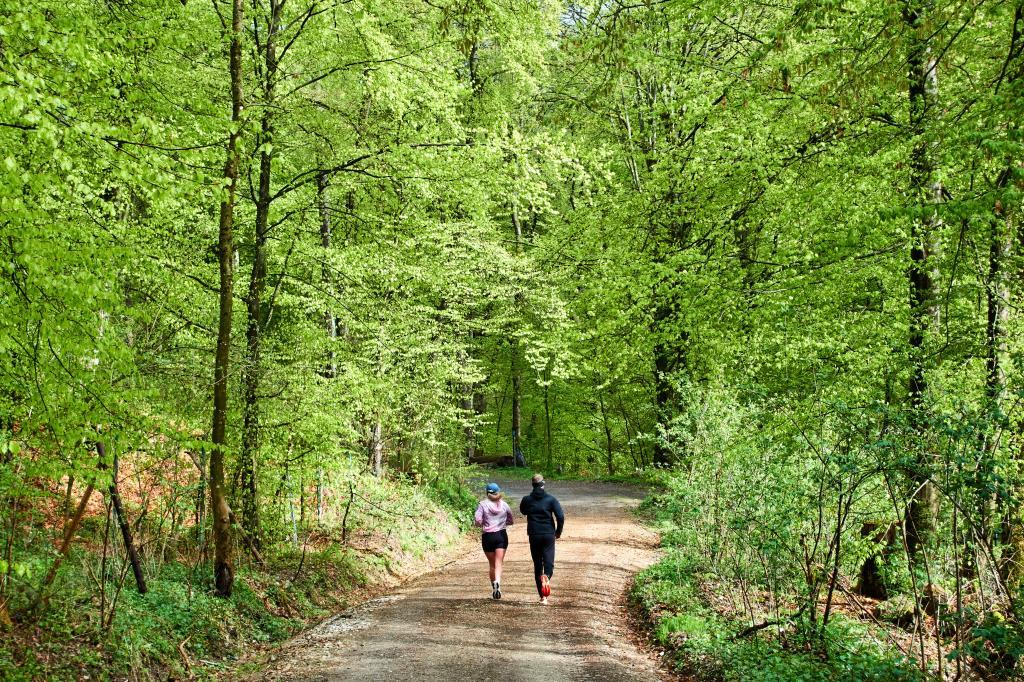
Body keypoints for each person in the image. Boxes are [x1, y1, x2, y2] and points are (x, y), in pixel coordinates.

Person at [519, 473, 564, 605]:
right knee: (549, 561)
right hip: (548, 534)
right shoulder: (551, 499)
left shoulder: (527, 499)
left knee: (538, 564)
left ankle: (543, 597)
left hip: (534, 534)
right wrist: (558, 532)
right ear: (543, 484)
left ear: (532, 485)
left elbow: (523, 511)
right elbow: (560, 517)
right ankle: (548, 576)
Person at [474, 482, 514, 599]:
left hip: (488, 537)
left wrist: (481, 524)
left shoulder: (482, 505)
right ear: (498, 492)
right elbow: (511, 520)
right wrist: (503, 522)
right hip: (501, 535)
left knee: (492, 564)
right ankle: (497, 581)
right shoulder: (504, 505)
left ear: (487, 493)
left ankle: (495, 586)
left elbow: (477, 519)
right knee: (498, 563)